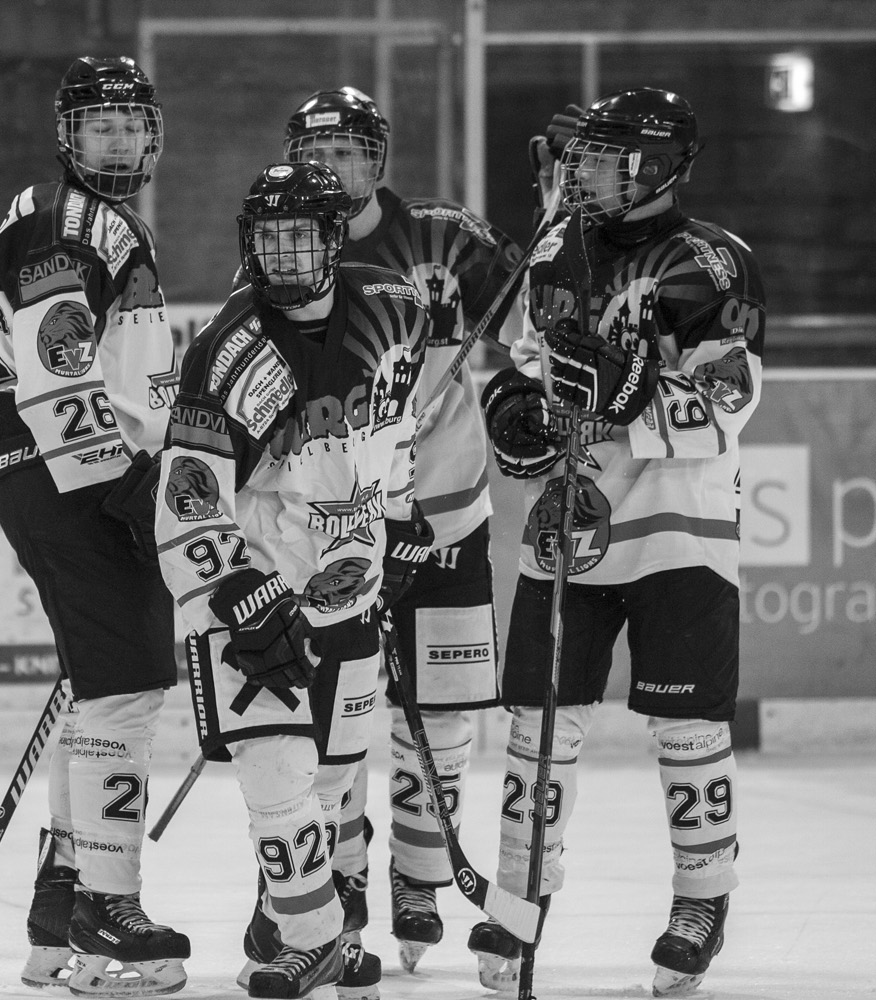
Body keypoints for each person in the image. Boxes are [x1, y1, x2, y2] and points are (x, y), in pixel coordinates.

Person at [473, 87, 763, 997]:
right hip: (570, 520)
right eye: (585, 157)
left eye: (607, 159)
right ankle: (519, 896)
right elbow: (525, 362)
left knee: (687, 724)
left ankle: (702, 899)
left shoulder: (713, 262)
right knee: (538, 725)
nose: (586, 174)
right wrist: (514, 409)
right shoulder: (555, 247)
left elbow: (728, 402)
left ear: (662, 166)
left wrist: (627, 395)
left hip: (681, 524)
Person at [155, 160, 432, 1000]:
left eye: (301, 236)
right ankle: (313, 940)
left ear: (334, 237)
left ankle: (295, 918)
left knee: (335, 777)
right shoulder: (227, 351)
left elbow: (394, 428)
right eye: (268, 238)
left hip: (350, 582)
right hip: (258, 598)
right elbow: (188, 494)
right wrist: (234, 591)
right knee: (276, 776)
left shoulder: (396, 309)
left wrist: (401, 518)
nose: (284, 254)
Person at [280, 86, 525, 973]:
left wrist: (518, 379)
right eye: (318, 153)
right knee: (338, 718)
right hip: (339, 532)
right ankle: (341, 879)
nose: (333, 167)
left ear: (378, 159)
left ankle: (418, 879)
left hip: (449, 516)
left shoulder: (444, 237)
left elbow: (533, 327)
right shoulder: (284, 245)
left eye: (349, 150)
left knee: (445, 718)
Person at [0, 55, 189, 996]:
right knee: (128, 693)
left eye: (133, 124)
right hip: (75, 478)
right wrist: (134, 493)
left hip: (72, 478)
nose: (120, 141)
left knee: (104, 695)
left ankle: (59, 917)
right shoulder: (65, 223)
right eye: (101, 125)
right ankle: (107, 908)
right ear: (68, 136)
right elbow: (58, 376)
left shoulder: (100, 221)